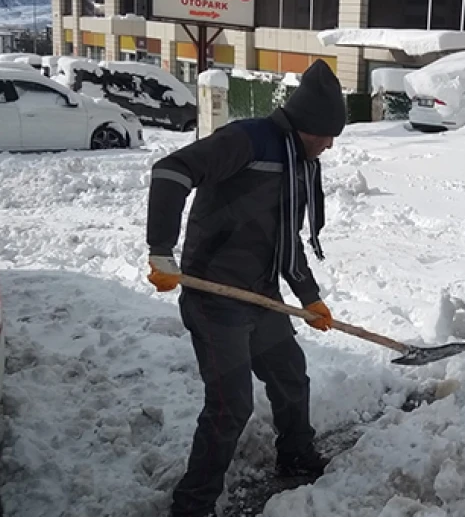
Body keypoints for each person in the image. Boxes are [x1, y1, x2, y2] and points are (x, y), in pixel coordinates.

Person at [145, 59, 346, 517]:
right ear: (306, 124)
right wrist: (161, 250)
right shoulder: (247, 140)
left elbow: (286, 238)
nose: (331, 144)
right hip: (215, 298)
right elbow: (171, 172)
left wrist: (308, 296)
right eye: (327, 133)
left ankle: (296, 456)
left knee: (291, 376)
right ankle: (192, 505)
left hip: (259, 295)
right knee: (230, 405)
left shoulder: (301, 160)